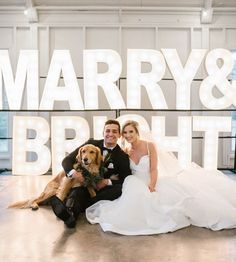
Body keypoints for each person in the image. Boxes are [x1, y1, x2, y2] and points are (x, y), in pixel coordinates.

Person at [86, 120, 236, 235]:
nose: (128, 135)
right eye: (125, 133)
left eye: (130, 132)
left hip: (150, 180)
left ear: (137, 132)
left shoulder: (150, 146)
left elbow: (153, 168)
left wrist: (152, 185)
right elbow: (124, 171)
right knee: (132, 199)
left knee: (179, 202)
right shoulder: (126, 151)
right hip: (135, 181)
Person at [50, 119, 131, 228]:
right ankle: (69, 215)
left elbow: (126, 179)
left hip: (101, 189)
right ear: (103, 133)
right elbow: (67, 160)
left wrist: (107, 181)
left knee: (118, 190)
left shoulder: (122, 156)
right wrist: (74, 173)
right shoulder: (90, 144)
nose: (110, 134)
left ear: (119, 135)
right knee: (78, 192)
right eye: (107, 131)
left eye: (114, 131)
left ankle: (77, 204)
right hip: (84, 185)